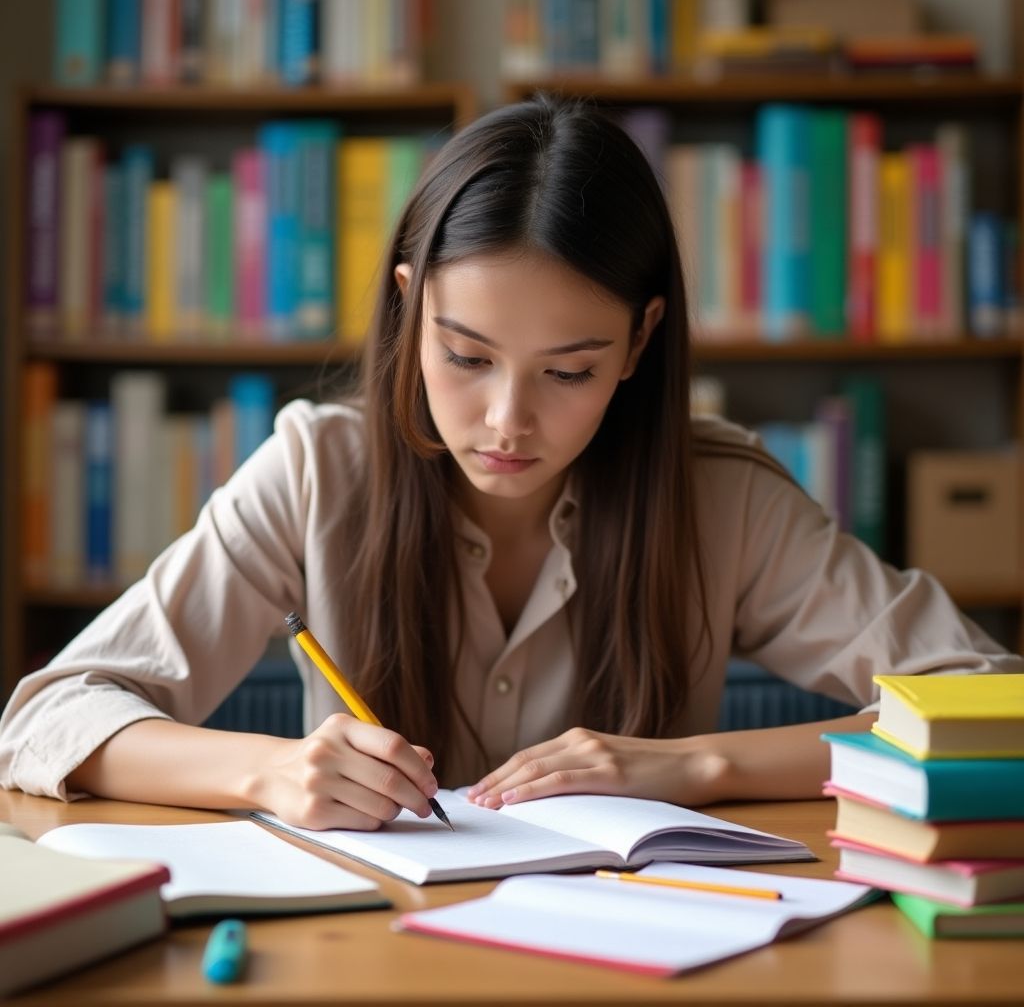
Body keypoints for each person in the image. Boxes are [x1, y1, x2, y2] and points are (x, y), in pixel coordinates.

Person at [1, 97, 1019, 832]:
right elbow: (49, 716)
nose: (505, 419)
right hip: (366, 953)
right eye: (465, 356)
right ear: (408, 309)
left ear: (638, 342)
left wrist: (696, 766)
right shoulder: (319, 467)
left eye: (567, 371)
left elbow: (988, 703)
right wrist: (267, 772)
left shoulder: (721, 497)